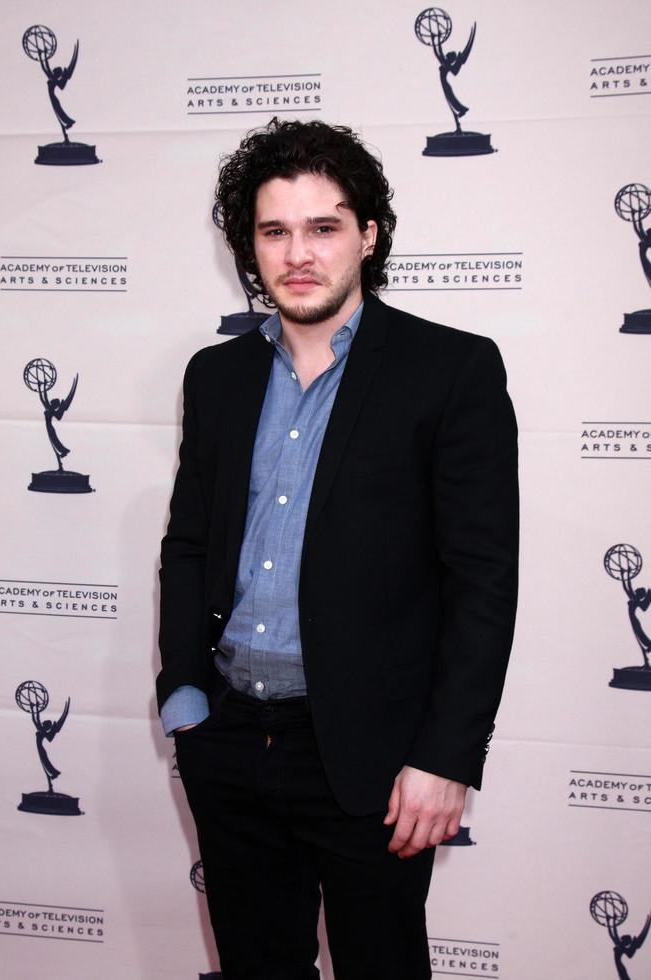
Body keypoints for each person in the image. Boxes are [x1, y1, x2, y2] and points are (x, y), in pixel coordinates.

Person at [156, 118, 518, 980]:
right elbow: (190, 543)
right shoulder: (218, 376)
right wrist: (184, 697)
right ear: (251, 247)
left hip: (372, 754)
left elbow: (482, 582)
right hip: (230, 739)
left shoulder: (450, 371)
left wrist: (445, 756)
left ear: (368, 234)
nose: (299, 252)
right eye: (274, 230)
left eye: (324, 226)